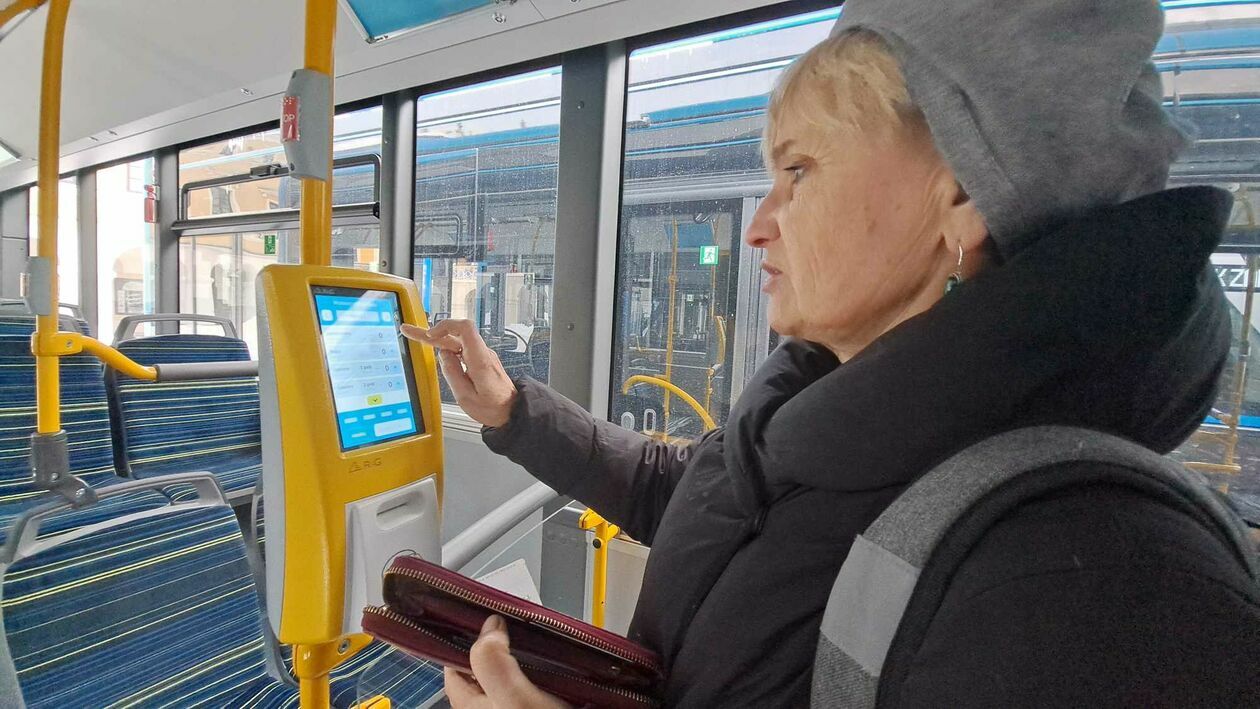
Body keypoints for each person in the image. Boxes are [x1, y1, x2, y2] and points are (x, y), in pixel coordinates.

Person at [404, 0, 1260, 706]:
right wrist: (513, 410)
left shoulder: (1093, 582)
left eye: (800, 171)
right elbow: (691, 493)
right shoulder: (816, 407)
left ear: (964, 193)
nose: (757, 225)